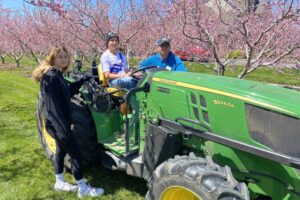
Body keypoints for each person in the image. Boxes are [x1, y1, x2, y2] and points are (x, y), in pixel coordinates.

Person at [32, 45, 104, 198]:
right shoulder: (50, 77)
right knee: (77, 155)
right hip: (58, 125)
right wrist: (63, 130)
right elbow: (52, 107)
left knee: (60, 151)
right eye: (60, 57)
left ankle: (59, 182)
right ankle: (83, 188)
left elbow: (68, 91)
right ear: (52, 59)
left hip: (58, 124)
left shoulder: (57, 75)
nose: (64, 60)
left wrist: (83, 80)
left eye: (65, 57)